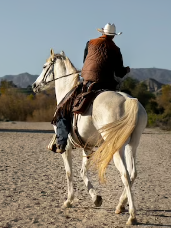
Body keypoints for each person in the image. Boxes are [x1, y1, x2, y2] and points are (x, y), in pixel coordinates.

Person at [50, 23, 131, 154]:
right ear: (114, 36)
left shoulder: (90, 43)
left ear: (102, 33)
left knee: (63, 107)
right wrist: (126, 70)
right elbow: (119, 72)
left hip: (89, 82)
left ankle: (61, 142)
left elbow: (84, 60)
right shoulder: (116, 49)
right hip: (107, 85)